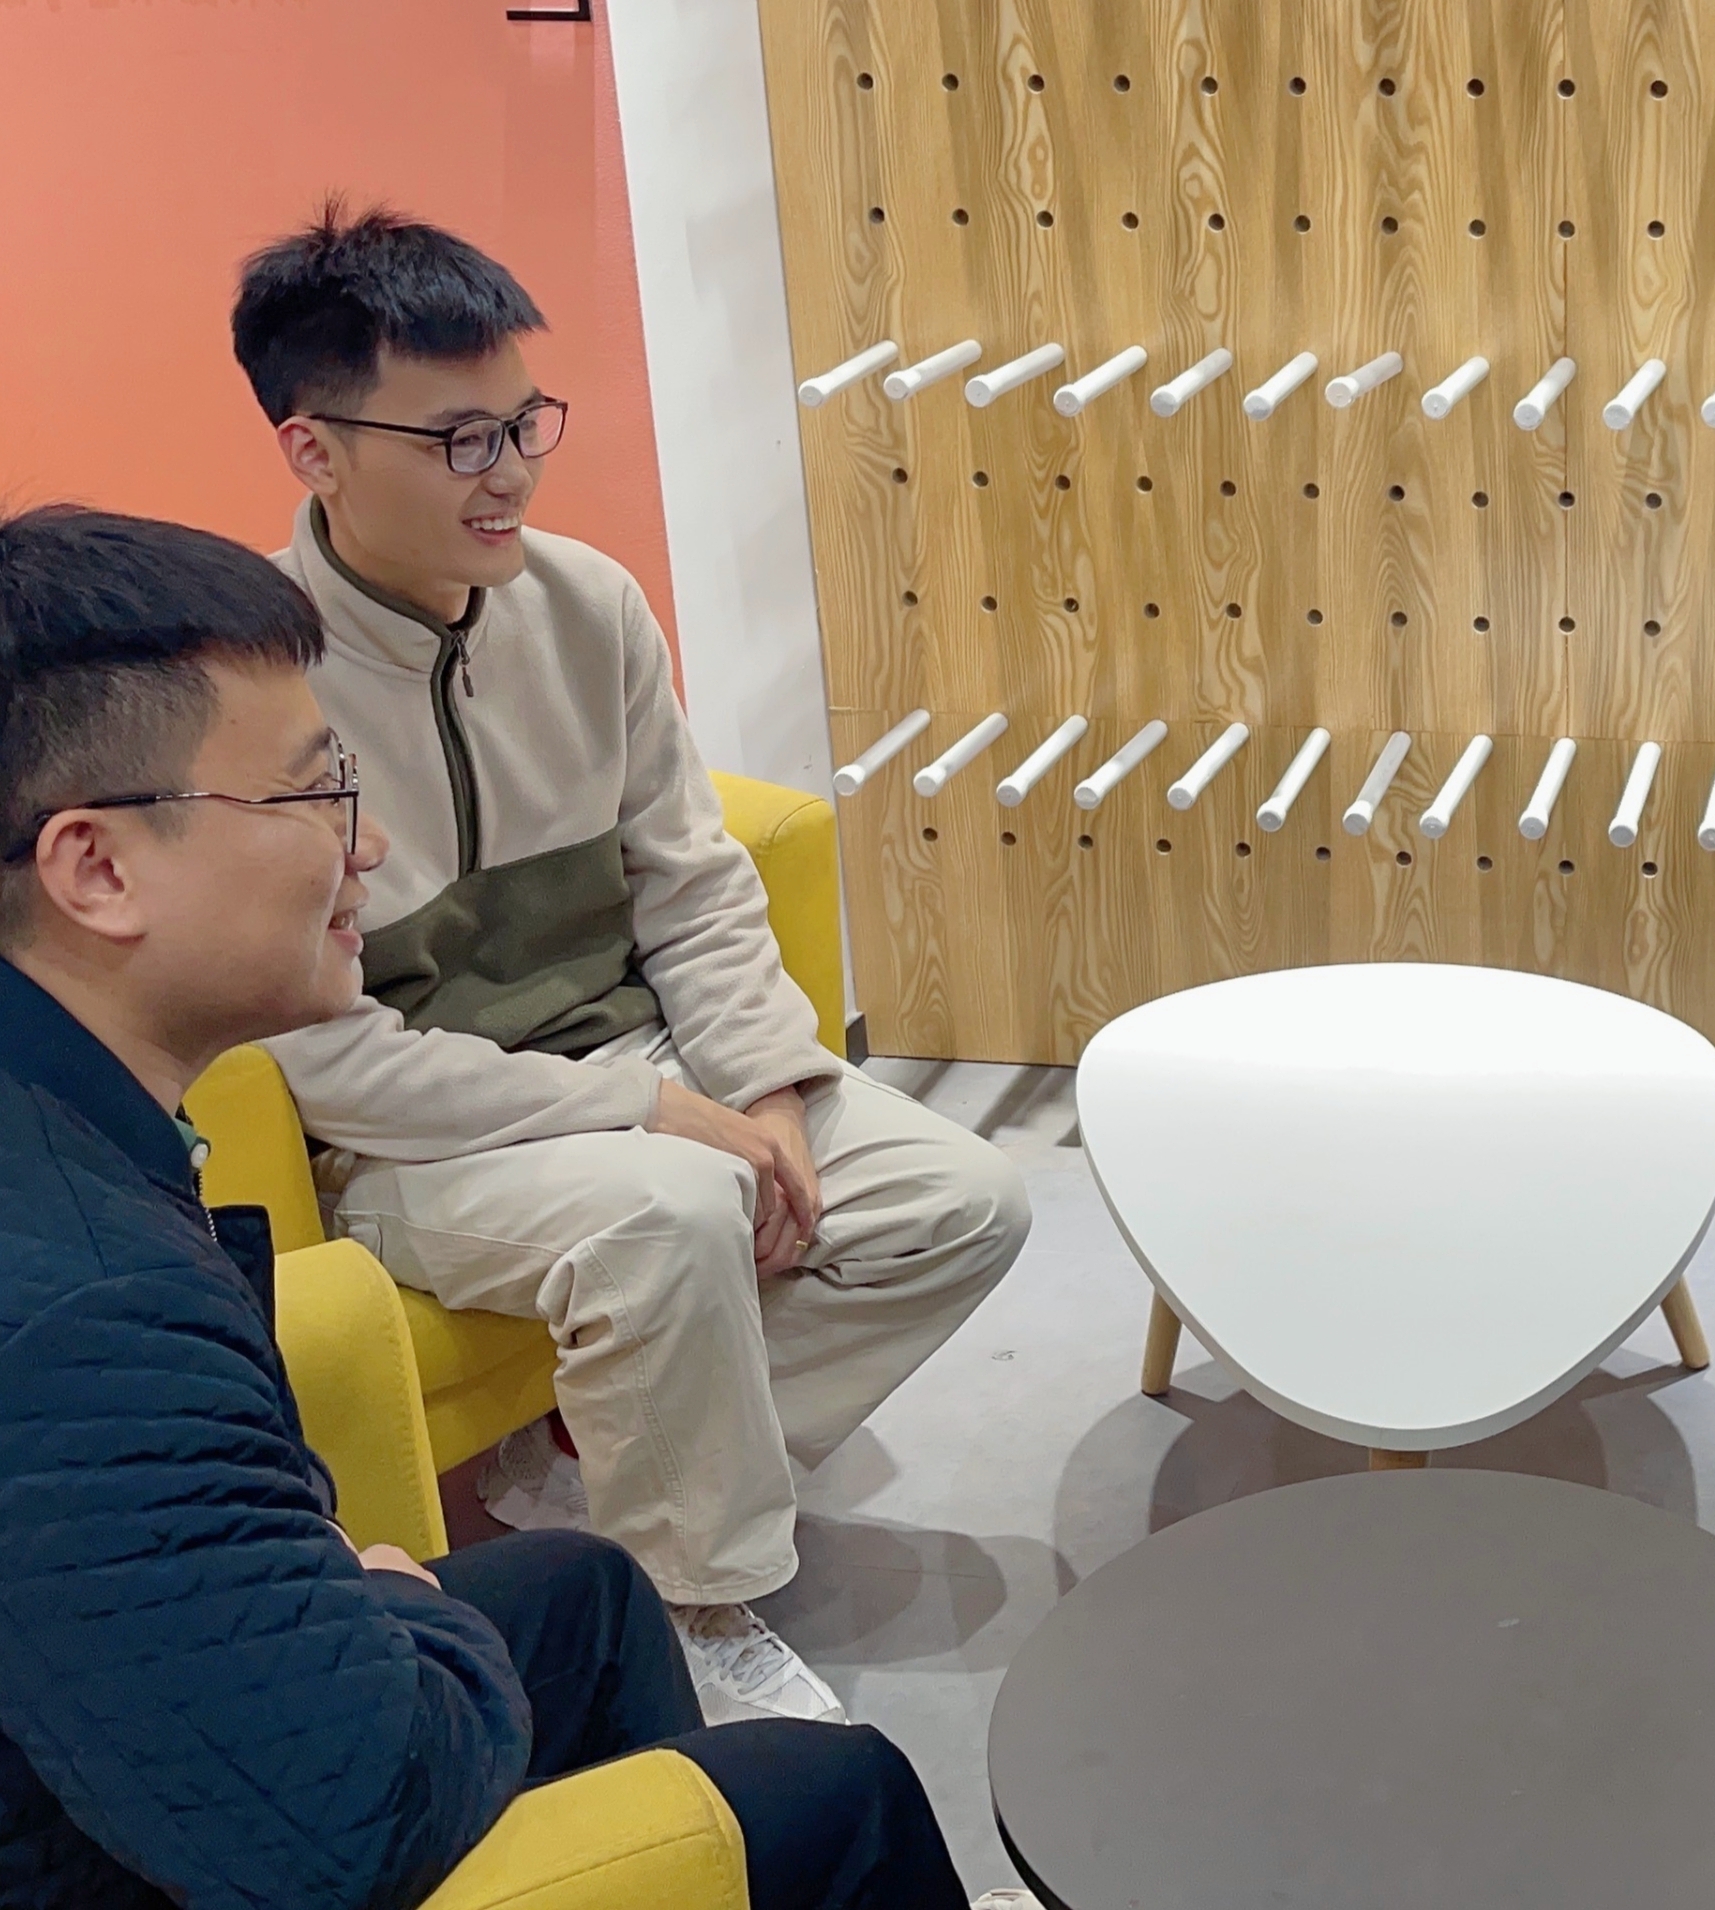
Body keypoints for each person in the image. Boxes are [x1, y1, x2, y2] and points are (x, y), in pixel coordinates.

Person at [0, 504, 983, 1908]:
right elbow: (342, 1826)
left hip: (178, 1703)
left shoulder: (71, 1107)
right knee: (840, 1787)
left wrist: (757, 1083)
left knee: (587, 1591)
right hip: (156, 1840)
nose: (367, 846)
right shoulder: (95, 1322)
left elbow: (698, 884)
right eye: (315, 795)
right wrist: (401, 1602)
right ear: (96, 867)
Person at [229, 201, 1032, 1722]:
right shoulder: (257, 688)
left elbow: (695, 881)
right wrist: (652, 1115)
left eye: (524, 421)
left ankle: (588, 1483)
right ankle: (688, 1606)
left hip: (636, 1054)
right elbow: (325, 1056)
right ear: (314, 450)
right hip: (422, 1136)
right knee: (672, 1208)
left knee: (960, 1200)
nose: (511, 472)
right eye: (458, 439)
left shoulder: (587, 604)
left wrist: (768, 1090)